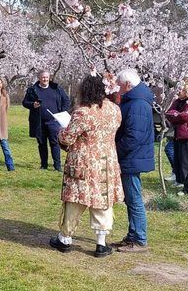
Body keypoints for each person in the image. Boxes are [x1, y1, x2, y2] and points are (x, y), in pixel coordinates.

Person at [49, 75, 123, 257]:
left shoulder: (82, 112)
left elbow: (68, 137)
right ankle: (101, 243)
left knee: (75, 199)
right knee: (102, 200)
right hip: (106, 161)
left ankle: (65, 238)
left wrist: (60, 132)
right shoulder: (115, 110)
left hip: (83, 162)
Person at [113, 69, 155, 253]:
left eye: (120, 85)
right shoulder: (135, 100)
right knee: (130, 199)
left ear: (128, 85)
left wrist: (115, 150)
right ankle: (132, 235)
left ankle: (139, 239)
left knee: (135, 199)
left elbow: (133, 137)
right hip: (132, 157)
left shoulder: (137, 104)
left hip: (132, 157)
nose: (118, 88)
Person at [22, 70, 70, 171]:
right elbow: (25, 102)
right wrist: (32, 105)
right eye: (43, 77)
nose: (45, 79)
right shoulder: (33, 89)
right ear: (39, 78)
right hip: (39, 122)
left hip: (54, 121)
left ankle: (57, 166)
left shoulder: (56, 88)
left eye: (47, 77)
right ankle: (44, 165)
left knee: (55, 143)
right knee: (42, 143)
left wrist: (62, 112)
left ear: (49, 78)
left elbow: (66, 100)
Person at [165, 81, 188, 189]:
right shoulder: (177, 101)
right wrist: (177, 115)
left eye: (183, 90)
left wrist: (177, 115)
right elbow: (169, 113)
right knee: (178, 158)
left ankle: (184, 181)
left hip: (186, 134)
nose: (180, 91)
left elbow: (186, 117)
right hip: (177, 133)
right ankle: (179, 179)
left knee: (184, 160)